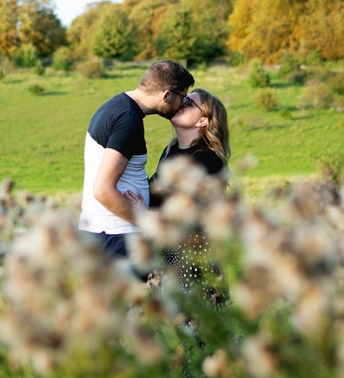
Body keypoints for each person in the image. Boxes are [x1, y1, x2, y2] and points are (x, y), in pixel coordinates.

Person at [78, 60, 195, 260]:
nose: (181, 105)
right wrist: (147, 221)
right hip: (115, 236)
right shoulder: (128, 120)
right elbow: (102, 190)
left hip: (103, 233)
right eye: (182, 98)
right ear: (166, 95)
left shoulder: (115, 106)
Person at [124, 88, 230, 302]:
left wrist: (146, 213)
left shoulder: (208, 159)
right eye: (183, 99)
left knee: (195, 318)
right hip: (166, 254)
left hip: (193, 259)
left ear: (203, 121)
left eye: (189, 103)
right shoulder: (170, 151)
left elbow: (191, 214)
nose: (181, 104)